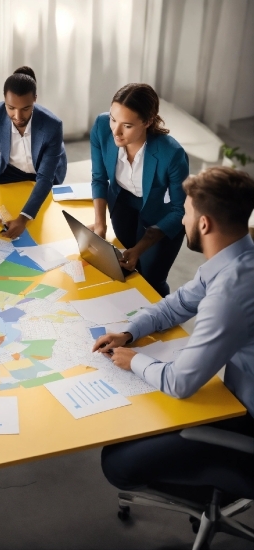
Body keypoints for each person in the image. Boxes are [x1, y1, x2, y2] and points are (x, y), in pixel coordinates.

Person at [92, 167, 254, 501]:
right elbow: (177, 305)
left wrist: (133, 360)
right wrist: (129, 333)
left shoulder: (230, 294)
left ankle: (217, 492)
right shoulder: (236, 258)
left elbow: (181, 383)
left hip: (247, 420)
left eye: (187, 213)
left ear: (205, 223)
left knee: (117, 462)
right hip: (238, 394)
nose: (182, 221)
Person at [90, 83, 189, 296]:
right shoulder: (100, 126)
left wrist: (140, 248)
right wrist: (100, 225)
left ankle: (162, 320)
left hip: (161, 217)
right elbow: (99, 179)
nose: (115, 131)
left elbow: (180, 209)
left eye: (127, 125)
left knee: (152, 279)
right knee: (126, 270)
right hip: (123, 202)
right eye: (113, 119)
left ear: (147, 121)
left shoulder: (171, 153)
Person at [0, 66, 67, 239]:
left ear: (35, 99)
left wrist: (23, 218)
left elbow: (45, 178)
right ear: (4, 100)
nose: (18, 116)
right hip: (10, 169)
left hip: (42, 172)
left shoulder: (53, 125)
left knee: (40, 225)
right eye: (11, 108)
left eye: (25, 108)